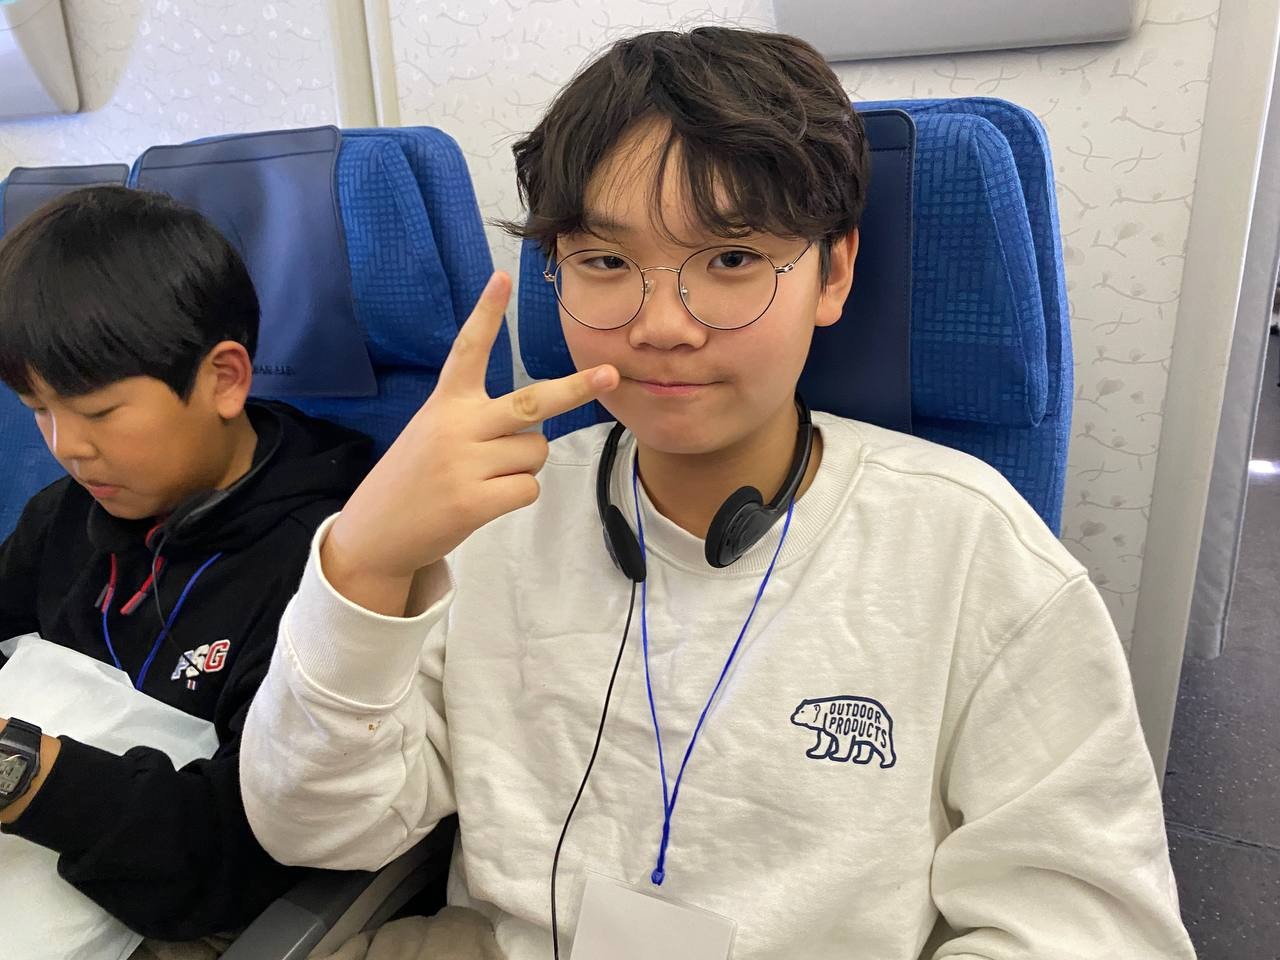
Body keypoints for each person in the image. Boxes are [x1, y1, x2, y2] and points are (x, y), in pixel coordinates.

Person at [239, 27, 1196, 960]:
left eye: (732, 260)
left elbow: (1094, 929)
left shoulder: (972, 551)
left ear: (834, 273)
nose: (663, 325)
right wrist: (364, 562)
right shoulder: (495, 522)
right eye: (605, 263)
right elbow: (318, 828)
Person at [0, 186, 371, 942]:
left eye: (97, 412)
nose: (66, 446)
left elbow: (244, 853)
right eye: (38, 409)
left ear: (224, 379)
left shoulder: (329, 564)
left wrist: (23, 772)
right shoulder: (65, 513)